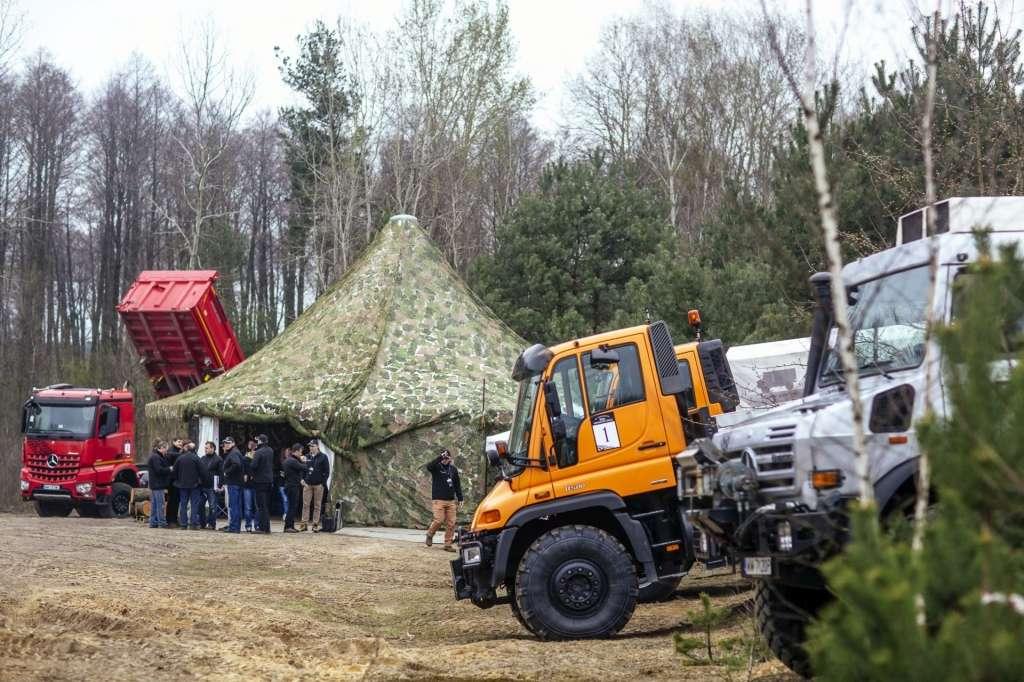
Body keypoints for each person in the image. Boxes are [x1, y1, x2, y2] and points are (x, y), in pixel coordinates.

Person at [424, 448, 463, 551]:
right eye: (443, 458)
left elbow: (457, 484)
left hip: (451, 500)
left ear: (450, 458)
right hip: (438, 500)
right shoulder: (436, 467)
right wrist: (440, 457)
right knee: (439, 520)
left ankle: (448, 544)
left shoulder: (453, 469)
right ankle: (430, 534)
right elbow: (429, 466)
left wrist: (460, 498)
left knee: (451, 523)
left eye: (447, 458)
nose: (445, 460)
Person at [299, 440, 330, 532]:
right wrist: (302, 479)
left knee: (317, 505)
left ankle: (315, 524)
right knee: (305, 504)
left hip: (318, 484)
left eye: (312, 446)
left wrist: (322, 483)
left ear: (317, 446)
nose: (311, 448)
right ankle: (304, 523)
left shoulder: (323, 457)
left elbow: (327, 471)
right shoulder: (307, 456)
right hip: (307, 484)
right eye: (310, 446)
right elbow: (302, 468)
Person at [173, 440, 203, 530]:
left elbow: (174, 471)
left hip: (182, 485)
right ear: (194, 450)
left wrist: (178, 480)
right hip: (195, 485)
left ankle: (183, 524)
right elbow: (202, 471)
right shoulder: (197, 458)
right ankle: (193, 523)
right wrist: (201, 481)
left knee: (183, 504)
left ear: (187, 449)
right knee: (194, 505)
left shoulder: (180, 458)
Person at [220, 437, 244, 533]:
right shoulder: (235, 452)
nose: (226, 444)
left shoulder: (233, 453)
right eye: (225, 443)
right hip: (237, 483)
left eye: (228, 443)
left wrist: (226, 472)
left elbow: (236, 464)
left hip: (234, 483)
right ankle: (235, 527)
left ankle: (234, 527)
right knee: (236, 506)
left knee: (233, 506)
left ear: (233, 443)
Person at [251, 434, 275, 534]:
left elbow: (254, 465)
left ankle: (263, 528)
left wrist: (250, 460)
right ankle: (267, 527)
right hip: (269, 480)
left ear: (260, 441)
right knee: (266, 505)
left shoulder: (259, 452)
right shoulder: (270, 450)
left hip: (260, 481)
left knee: (261, 506)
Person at [147, 440, 172, 529]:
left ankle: (153, 522)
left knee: (154, 505)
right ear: (162, 448)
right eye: (166, 449)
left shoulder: (154, 456)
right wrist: (169, 469)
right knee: (160, 505)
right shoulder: (156, 457)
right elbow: (159, 470)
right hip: (158, 485)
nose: (166, 452)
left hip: (154, 485)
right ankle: (162, 522)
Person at [281, 444, 306, 533]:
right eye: (300, 451)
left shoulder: (289, 460)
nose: (301, 453)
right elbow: (303, 467)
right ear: (296, 451)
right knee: (292, 507)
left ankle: (290, 525)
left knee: (292, 506)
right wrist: (304, 461)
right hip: (292, 486)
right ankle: (288, 526)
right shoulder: (292, 461)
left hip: (289, 485)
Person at [198, 441, 223, 530]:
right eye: (205, 448)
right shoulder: (202, 458)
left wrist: (220, 485)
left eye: (207, 448)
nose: (205, 449)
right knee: (200, 505)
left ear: (212, 448)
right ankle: (202, 523)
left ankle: (211, 524)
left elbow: (221, 473)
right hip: (202, 486)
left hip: (213, 486)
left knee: (213, 506)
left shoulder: (218, 459)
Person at [165, 437, 185, 527]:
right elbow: (170, 455)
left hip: (177, 480)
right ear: (173, 442)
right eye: (178, 441)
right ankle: (170, 520)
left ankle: (174, 519)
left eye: (181, 442)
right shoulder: (171, 452)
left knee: (176, 501)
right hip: (172, 481)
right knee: (172, 501)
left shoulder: (178, 451)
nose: (180, 443)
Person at [242, 438, 257, 532]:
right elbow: (243, 468)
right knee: (248, 507)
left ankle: (257, 525)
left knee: (256, 506)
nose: (251, 445)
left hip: (256, 484)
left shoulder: (258, 455)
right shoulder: (245, 456)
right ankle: (248, 525)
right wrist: (245, 474)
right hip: (247, 485)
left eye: (252, 444)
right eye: (249, 443)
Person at [275, 447, 289, 521]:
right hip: (282, 483)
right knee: (285, 499)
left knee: (288, 499)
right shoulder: (280, 462)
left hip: (289, 483)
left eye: (289, 452)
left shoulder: (292, 461)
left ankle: (288, 513)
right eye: (286, 452)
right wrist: (280, 473)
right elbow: (276, 471)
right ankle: (286, 513)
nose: (287, 453)